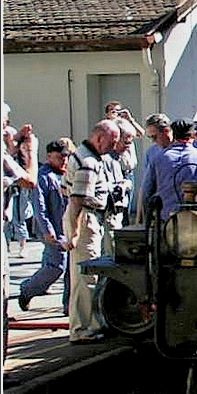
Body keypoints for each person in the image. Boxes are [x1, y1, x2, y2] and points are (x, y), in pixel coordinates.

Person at [62, 119, 120, 344]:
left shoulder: (88, 157)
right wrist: (75, 233)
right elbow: (77, 199)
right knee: (86, 275)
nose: (113, 146)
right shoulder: (88, 161)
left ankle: (92, 324)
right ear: (99, 138)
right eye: (111, 141)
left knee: (91, 274)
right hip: (85, 218)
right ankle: (81, 328)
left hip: (87, 216)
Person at [18, 139, 73, 314]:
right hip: (53, 230)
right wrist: (47, 230)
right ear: (49, 157)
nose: (63, 161)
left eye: (65, 157)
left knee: (72, 271)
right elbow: (39, 207)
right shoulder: (44, 176)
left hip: (70, 228)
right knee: (56, 267)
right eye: (59, 157)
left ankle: (69, 306)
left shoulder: (68, 173)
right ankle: (27, 290)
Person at [141, 118, 197, 224]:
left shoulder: (157, 159)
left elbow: (147, 192)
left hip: (165, 222)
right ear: (193, 135)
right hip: (193, 223)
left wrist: (149, 218)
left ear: (173, 134)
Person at [4, 121, 39, 257]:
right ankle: (6, 247)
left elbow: (29, 181)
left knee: (19, 217)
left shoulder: (17, 158)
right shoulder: (5, 155)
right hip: (11, 189)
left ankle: (22, 245)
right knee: (8, 221)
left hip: (18, 189)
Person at [102, 120, 136, 255]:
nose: (128, 147)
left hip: (117, 211)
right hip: (107, 213)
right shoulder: (105, 159)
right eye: (126, 142)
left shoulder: (119, 158)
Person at [135, 113, 173, 225]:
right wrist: (141, 218)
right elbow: (146, 187)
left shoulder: (186, 150)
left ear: (166, 131)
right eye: (150, 137)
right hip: (160, 211)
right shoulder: (152, 153)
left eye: (154, 137)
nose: (153, 141)